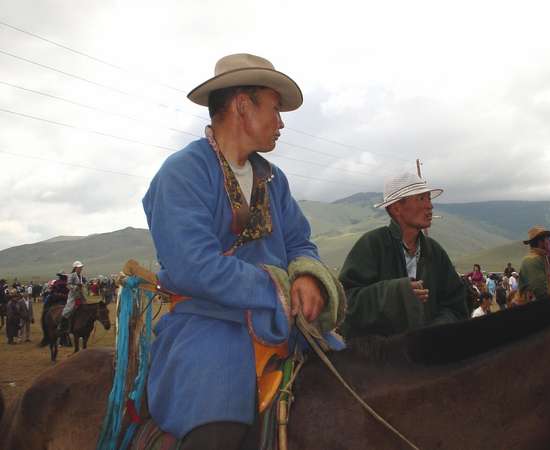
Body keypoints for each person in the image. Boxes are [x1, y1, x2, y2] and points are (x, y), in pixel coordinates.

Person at [142, 53, 344, 449]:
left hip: (284, 325)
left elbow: (300, 242)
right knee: (216, 427)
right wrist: (281, 288)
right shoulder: (182, 173)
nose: (282, 122)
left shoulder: (273, 178)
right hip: (207, 326)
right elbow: (193, 266)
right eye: (275, 108)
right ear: (242, 104)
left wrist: (306, 276)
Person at [339, 172, 468, 339]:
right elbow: (346, 303)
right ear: (396, 208)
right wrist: (399, 293)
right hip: (379, 358)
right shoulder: (373, 244)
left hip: (427, 355)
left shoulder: (435, 252)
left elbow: (456, 305)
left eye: (429, 199)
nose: (430, 206)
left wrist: (434, 332)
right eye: (421, 199)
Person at [517, 226, 550, 303]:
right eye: (547, 239)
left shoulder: (542, 257)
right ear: (540, 242)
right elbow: (540, 291)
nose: (549, 241)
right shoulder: (532, 260)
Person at [57, 261, 86, 333]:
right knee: (69, 310)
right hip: (73, 296)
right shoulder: (72, 275)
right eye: (79, 268)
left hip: (80, 296)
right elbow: (68, 285)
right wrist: (76, 287)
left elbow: (83, 285)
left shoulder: (81, 276)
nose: (81, 269)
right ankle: (61, 324)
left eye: (81, 267)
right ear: (75, 268)